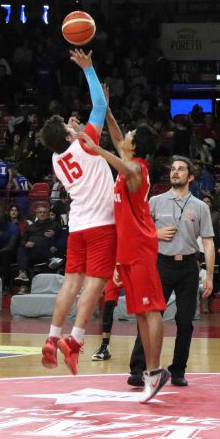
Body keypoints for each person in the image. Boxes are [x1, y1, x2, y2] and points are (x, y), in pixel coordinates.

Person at [75, 107, 172, 403]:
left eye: (130, 136)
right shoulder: (128, 161)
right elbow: (118, 139)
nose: (124, 137)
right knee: (141, 314)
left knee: (151, 310)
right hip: (127, 252)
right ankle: (150, 372)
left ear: (135, 146)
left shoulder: (138, 169)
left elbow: (124, 162)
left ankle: (155, 372)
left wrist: (98, 149)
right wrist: (107, 111)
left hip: (141, 249)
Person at [36, 49, 116, 378]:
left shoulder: (57, 159)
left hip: (78, 225)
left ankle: (51, 337)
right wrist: (89, 69)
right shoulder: (85, 143)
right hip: (101, 225)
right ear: (69, 135)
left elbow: (72, 141)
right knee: (95, 286)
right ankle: (75, 341)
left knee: (70, 284)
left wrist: (74, 130)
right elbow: (99, 105)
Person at [125, 155, 215, 388]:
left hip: (188, 266)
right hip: (160, 264)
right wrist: (155, 235)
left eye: (181, 169)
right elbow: (136, 230)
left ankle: (178, 370)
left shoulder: (201, 206)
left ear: (191, 176)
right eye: (173, 169)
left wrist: (211, 276)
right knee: (148, 316)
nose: (175, 172)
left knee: (185, 320)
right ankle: (138, 368)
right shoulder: (155, 201)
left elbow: (208, 242)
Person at [91, 280, 122, 361]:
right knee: (108, 305)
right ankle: (105, 346)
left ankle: (144, 347)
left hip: (133, 269)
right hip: (116, 271)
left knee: (142, 308)